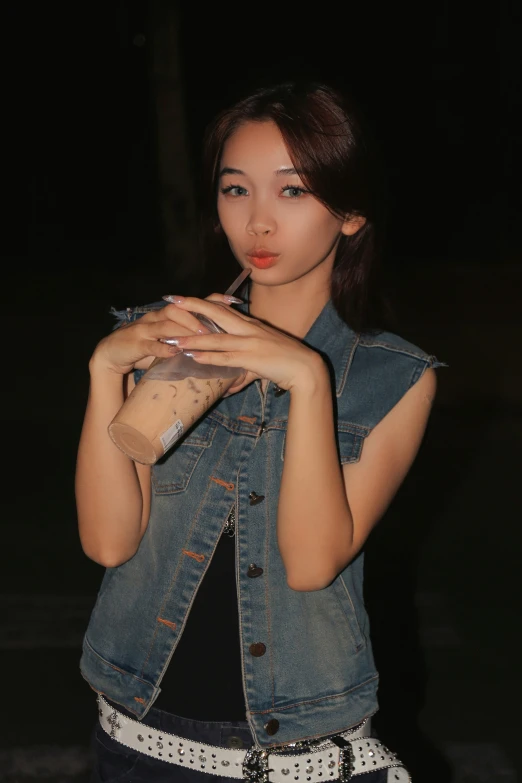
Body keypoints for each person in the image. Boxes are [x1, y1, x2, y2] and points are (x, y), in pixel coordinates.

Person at [76, 81, 443, 783]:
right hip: (136, 739)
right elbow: (109, 540)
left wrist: (305, 380)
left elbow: (310, 563)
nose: (259, 222)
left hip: (292, 756)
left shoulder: (389, 376)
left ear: (352, 212)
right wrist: (104, 371)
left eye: (293, 192)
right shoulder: (167, 335)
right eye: (236, 189)